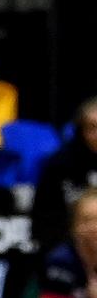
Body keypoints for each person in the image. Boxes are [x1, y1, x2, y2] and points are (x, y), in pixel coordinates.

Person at [33, 97, 97, 254]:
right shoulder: (59, 166)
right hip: (70, 248)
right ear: (81, 131)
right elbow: (44, 221)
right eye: (92, 128)